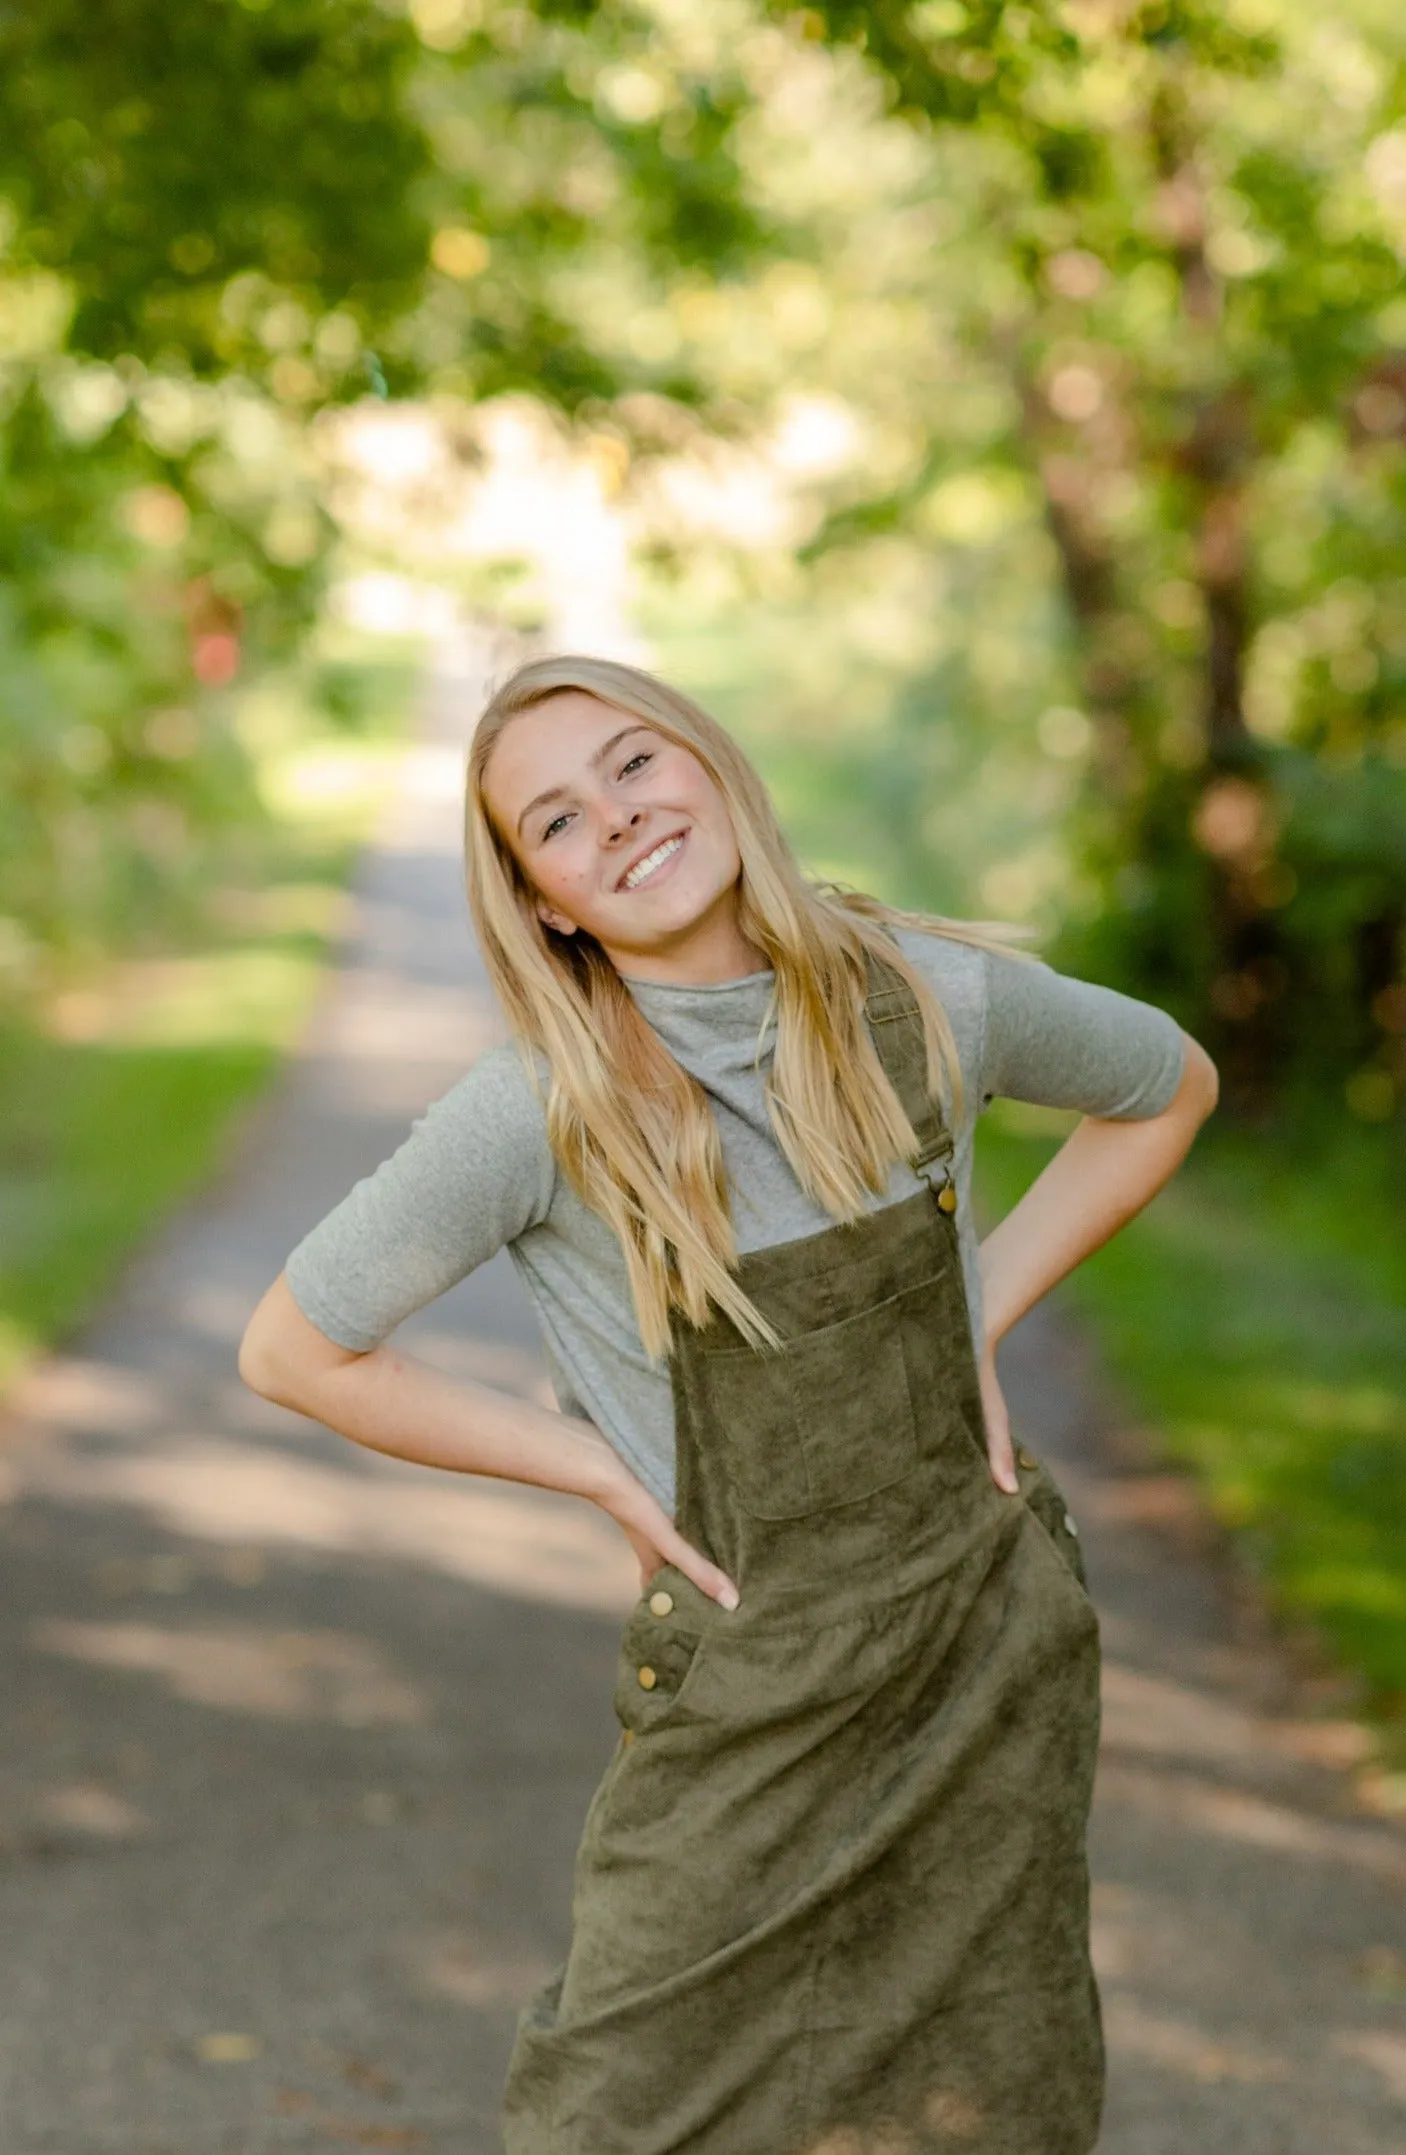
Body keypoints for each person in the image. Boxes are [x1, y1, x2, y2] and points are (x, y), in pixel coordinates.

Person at [239, 653, 1218, 2154]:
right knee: (622, 2107)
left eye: (634, 765)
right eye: (556, 823)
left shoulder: (922, 998)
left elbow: (1164, 1085)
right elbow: (297, 1345)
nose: (616, 820)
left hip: (977, 1644)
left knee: (981, 2092)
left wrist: (975, 1316)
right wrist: (597, 1472)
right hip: (749, 1692)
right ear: (546, 902)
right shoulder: (543, 1106)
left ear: (711, 762)